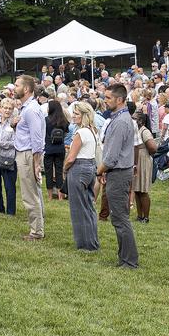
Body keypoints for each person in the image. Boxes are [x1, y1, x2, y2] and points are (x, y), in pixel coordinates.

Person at [97, 84, 139, 268]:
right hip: (118, 172)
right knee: (119, 218)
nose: (105, 101)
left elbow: (112, 156)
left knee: (120, 218)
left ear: (120, 100)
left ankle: (129, 260)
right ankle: (124, 257)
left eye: (108, 98)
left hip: (119, 173)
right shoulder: (119, 119)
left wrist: (99, 170)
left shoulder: (121, 121)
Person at [12, 75, 46, 241]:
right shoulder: (27, 108)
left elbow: (37, 138)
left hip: (28, 155)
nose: (14, 88)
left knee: (30, 194)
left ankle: (36, 231)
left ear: (26, 89)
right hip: (25, 153)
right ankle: (37, 228)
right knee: (31, 193)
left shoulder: (31, 109)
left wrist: (36, 163)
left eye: (17, 85)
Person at [64, 102, 99, 251]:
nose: (73, 116)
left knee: (79, 209)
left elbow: (71, 158)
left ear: (85, 115)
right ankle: (92, 242)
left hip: (79, 167)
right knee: (89, 206)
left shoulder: (81, 132)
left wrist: (65, 169)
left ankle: (85, 245)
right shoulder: (93, 131)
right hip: (90, 166)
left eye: (76, 114)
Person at [0, 98, 18, 215]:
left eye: (10, 108)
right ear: (1, 108)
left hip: (8, 158)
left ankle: (11, 211)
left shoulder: (14, 124)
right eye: (5, 108)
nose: (7, 110)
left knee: (9, 186)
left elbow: (15, 143)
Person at [132, 112, 157, 223]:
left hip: (143, 160)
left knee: (143, 190)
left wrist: (144, 153)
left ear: (141, 121)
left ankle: (146, 217)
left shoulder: (144, 131)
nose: (132, 120)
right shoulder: (135, 130)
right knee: (137, 190)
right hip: (137, 160)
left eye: (135, 119)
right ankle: (139, 215)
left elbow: (153, 148)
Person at [44, 100, 68, 200]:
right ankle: (60, 196)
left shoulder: (46, 120)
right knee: (59, 172)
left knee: (48, 172)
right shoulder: (63, 120)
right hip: (60, 148)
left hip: (49, 148)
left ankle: (50, 196)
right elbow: (66, 131)